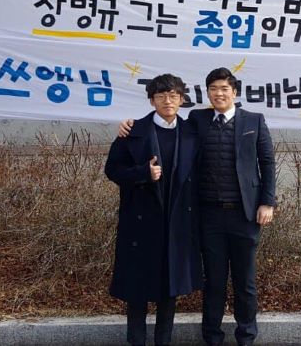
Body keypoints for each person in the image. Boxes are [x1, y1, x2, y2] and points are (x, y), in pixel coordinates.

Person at [119, 67, 276, 346]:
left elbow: (267, 163)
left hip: (245, 214)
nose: (219, 94)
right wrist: (129, 126)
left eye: (224, 89)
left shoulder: (254, 120)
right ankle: (212, 337)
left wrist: (267, 202)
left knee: (246, 282)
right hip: (208, 214)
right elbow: (164, 126)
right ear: (207, 93)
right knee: (214, 281)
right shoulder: (197, 120)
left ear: (234, 92)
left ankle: (246, 336)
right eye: (213, 89)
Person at [105, 73, 202, 346]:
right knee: (137, 290)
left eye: (173, 96)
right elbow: (112, 170)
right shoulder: (133, 131)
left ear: (181, 100)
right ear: (151, 100)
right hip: (141, 222)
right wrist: (142, 173)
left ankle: (163, 341)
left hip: (176, 222)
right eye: (160, 96)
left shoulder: (192, 132)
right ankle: (136, 340)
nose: (167, 101)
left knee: (169, 290)